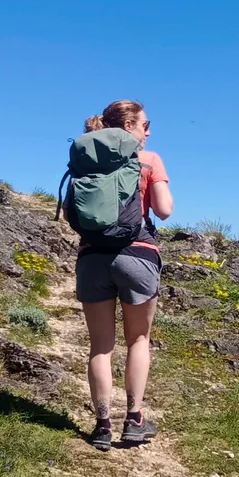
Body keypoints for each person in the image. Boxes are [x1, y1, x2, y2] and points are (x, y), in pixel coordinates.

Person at [73, 99, 173, 449]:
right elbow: (164, 210)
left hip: (92, 259)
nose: (148, 132)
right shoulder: (149, 159)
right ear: (129, 126)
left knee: (100, 346)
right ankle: (134, 419)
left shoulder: (86, 158)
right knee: (138, 340)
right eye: (146, 125)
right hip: (138, 256)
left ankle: (102, 426)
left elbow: (75, 209)